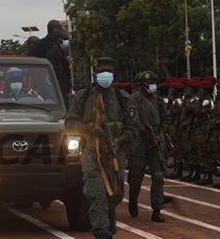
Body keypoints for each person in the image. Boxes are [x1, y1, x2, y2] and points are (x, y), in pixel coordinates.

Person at [65, 57, 138, 239]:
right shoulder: (83, 97)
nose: (106, 75)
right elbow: (70, 123)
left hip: (116, 155)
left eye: (109, 71)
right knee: (97, 194)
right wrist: (89, 129)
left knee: (115, 195)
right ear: (95, 74)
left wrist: (120, 140)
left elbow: (133, 128)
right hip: (92, 153)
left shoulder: (123, 98)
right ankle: (101, 233)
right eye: (102, 71)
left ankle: (109, 228)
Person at [129, 71, 171, 222]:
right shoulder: (133, 100)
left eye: (153, 83)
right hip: (138, 144)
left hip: (155, 144)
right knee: (135, 179)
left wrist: (160, 133)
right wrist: (142, 131)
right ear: (140, 85)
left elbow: (166, 118)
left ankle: (157, 209)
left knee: (158, 176)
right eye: (148, 84)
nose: (151, 87)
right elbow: (132, 120)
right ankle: (133, 200)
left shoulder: (158, 101)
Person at [46, 28, 72, 109]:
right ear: (58, 40)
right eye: (65, 39)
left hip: (64, 88)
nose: (67, 42)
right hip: (56, 90)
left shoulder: (63, 53)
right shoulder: (51, 55)